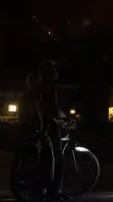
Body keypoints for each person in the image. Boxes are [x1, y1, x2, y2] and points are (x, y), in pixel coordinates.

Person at [38, 60, 67, 200]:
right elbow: (54, 108)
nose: (56, 72)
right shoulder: (51, 87)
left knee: (45, 159)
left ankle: (42, 187)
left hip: (39, 126)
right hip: (50, 125)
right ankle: (54, 191)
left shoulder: (38, 87)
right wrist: (64, 117)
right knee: (58, 159)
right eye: (54, 70)